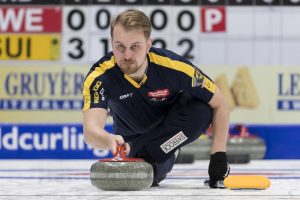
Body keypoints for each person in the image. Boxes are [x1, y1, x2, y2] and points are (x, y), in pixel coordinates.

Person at [82, 9, 230, 188]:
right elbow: (90, 130)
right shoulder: (99, 77)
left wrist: (218, 159)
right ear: (111, 43)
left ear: (148, 45)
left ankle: (167, 148)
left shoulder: (176, 68)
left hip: (166, 138)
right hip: (132, 146)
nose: (127, 55)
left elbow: (220, 103)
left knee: (202, 108)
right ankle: (156, 157)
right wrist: (109, 140)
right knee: (147, 177)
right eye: (120, 46)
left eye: (135, 46)